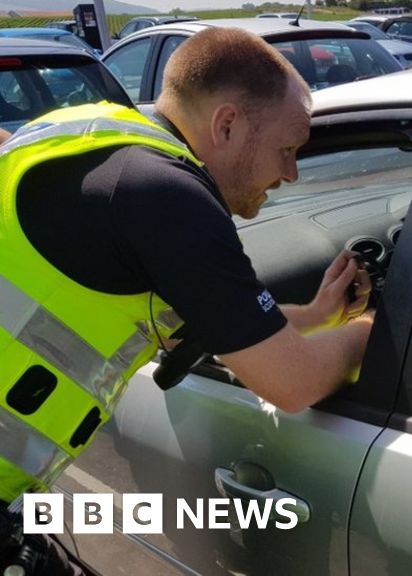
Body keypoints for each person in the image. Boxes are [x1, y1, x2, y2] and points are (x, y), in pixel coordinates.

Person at [0, 28, 371, 574]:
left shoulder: (90, 140)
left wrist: (318, 317)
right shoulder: (166, 194)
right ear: (227, 125)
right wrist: (381, 327)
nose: (291, 173)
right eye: (287, 150)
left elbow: (207, 330)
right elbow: (292, 383)